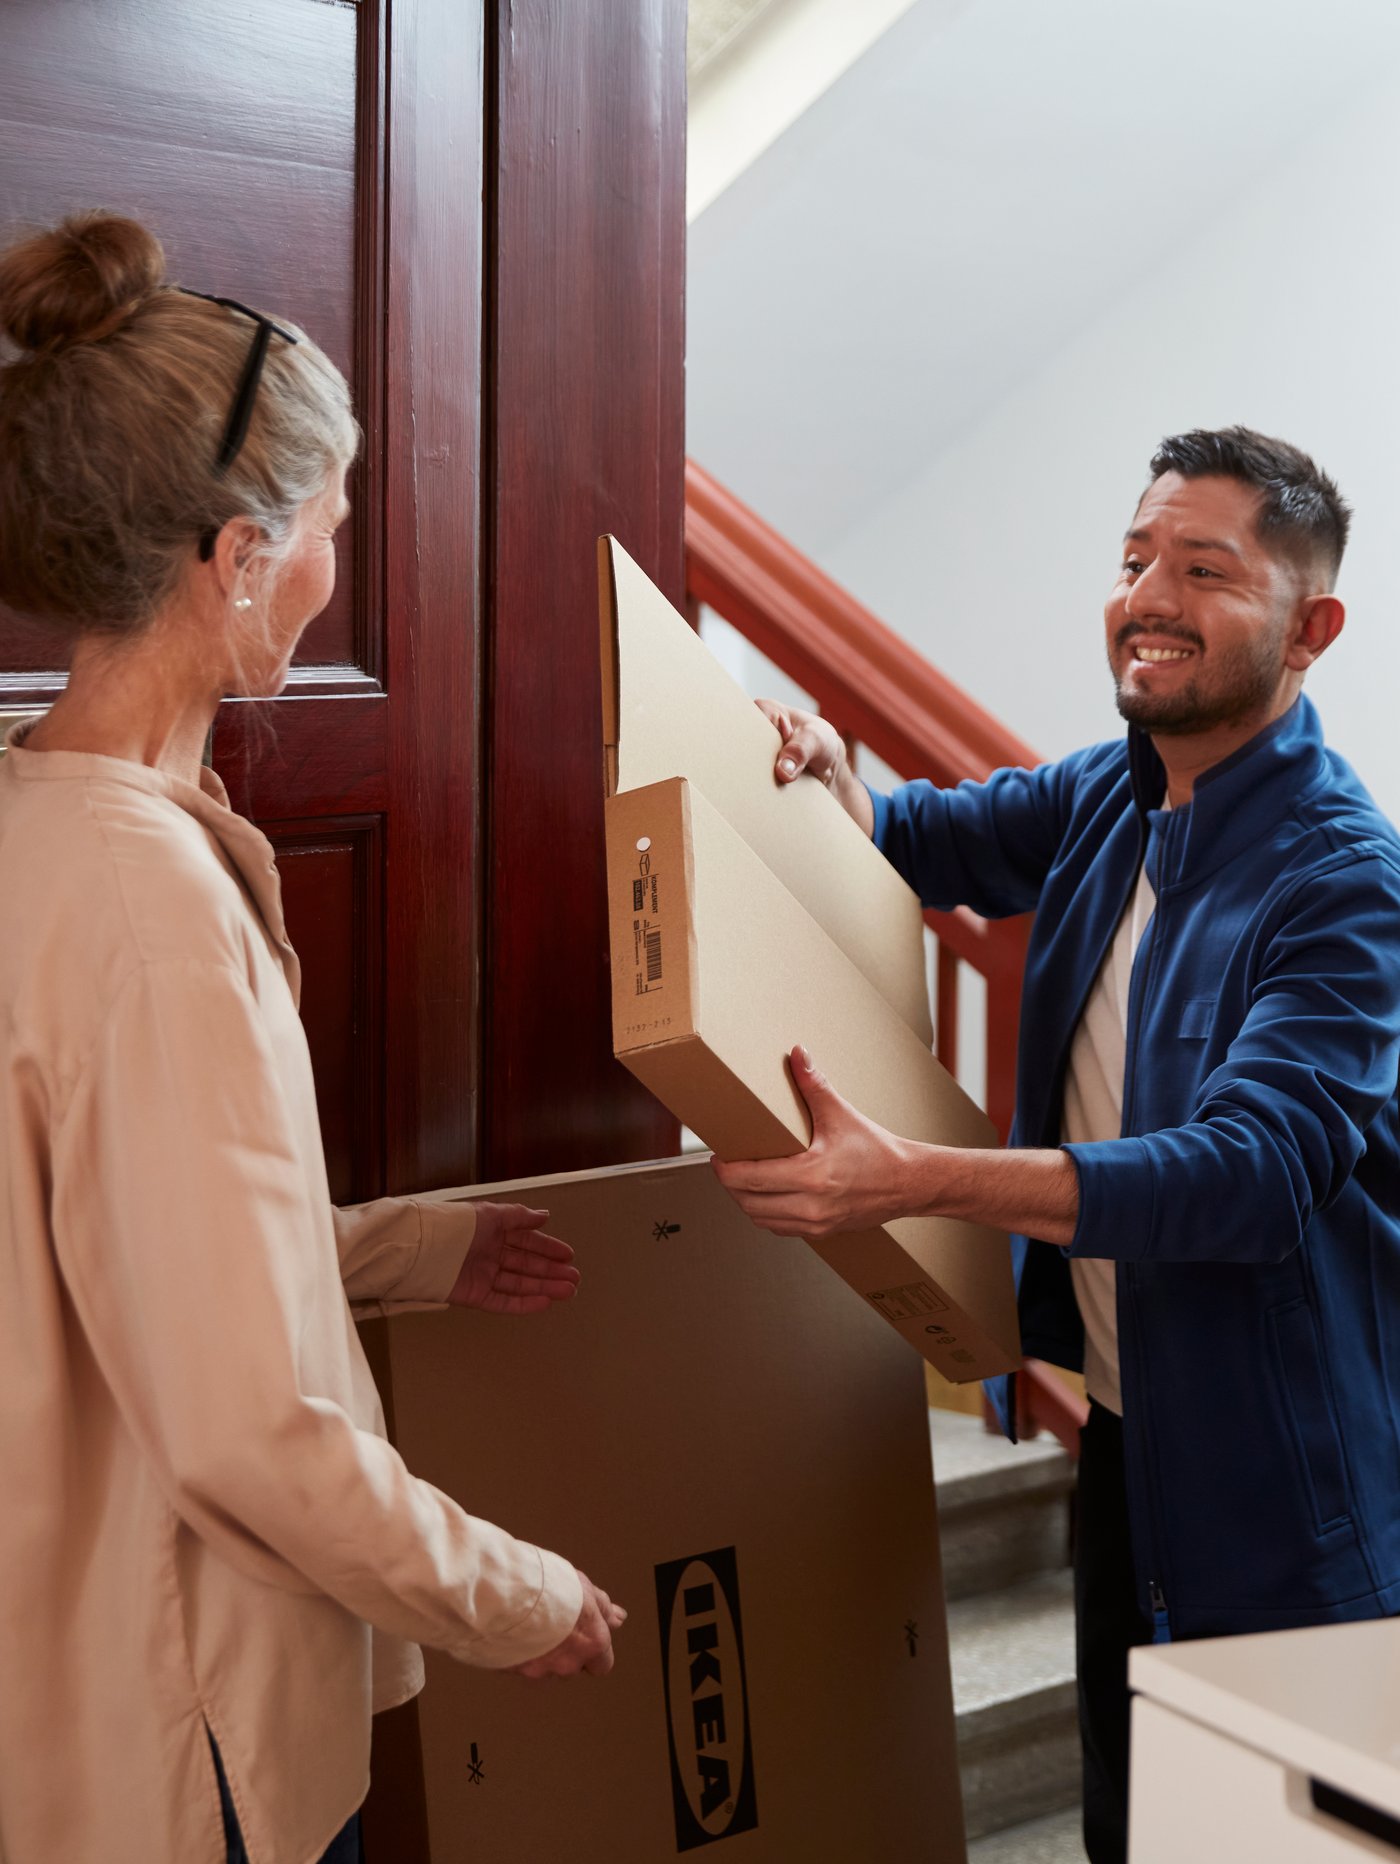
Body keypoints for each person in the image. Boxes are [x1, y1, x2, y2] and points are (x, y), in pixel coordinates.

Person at [0, 213, 624, 1864]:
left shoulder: (41, 827)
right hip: (177, 1738)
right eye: (337, 519)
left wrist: (408, 1248)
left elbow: (108, 1260)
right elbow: (242, 1430)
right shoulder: (151, 910)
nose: (344, 558)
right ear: (242, 554)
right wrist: (514, 1594)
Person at [714, 426, 1400, 1864]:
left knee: (1273, 1850)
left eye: (1203, 570)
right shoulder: (1116, 790)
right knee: (1129, 1835)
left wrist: (922, 1180)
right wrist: (834, 780)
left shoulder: (1344, 881)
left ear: (1311, 627)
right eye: (1135, 558)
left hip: (1288, 1483)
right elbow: (915, 835)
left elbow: (1250, 1172)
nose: (1148, 594)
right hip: (1130, 1451)